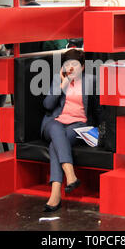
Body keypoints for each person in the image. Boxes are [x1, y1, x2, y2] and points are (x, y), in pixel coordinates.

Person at [41, 49, 101, 212]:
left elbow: (97, 110)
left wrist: (100, 130)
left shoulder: (91, 81)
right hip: (54, 122)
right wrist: (62, 85)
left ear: (82, 67)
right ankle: (71, 176)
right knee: (56, 130)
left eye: (74, 65)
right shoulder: (57, 79)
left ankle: (55, 194)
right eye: (67, 65)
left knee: (56, 143)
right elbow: (47, 106)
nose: (70, 68)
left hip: (79, 124)